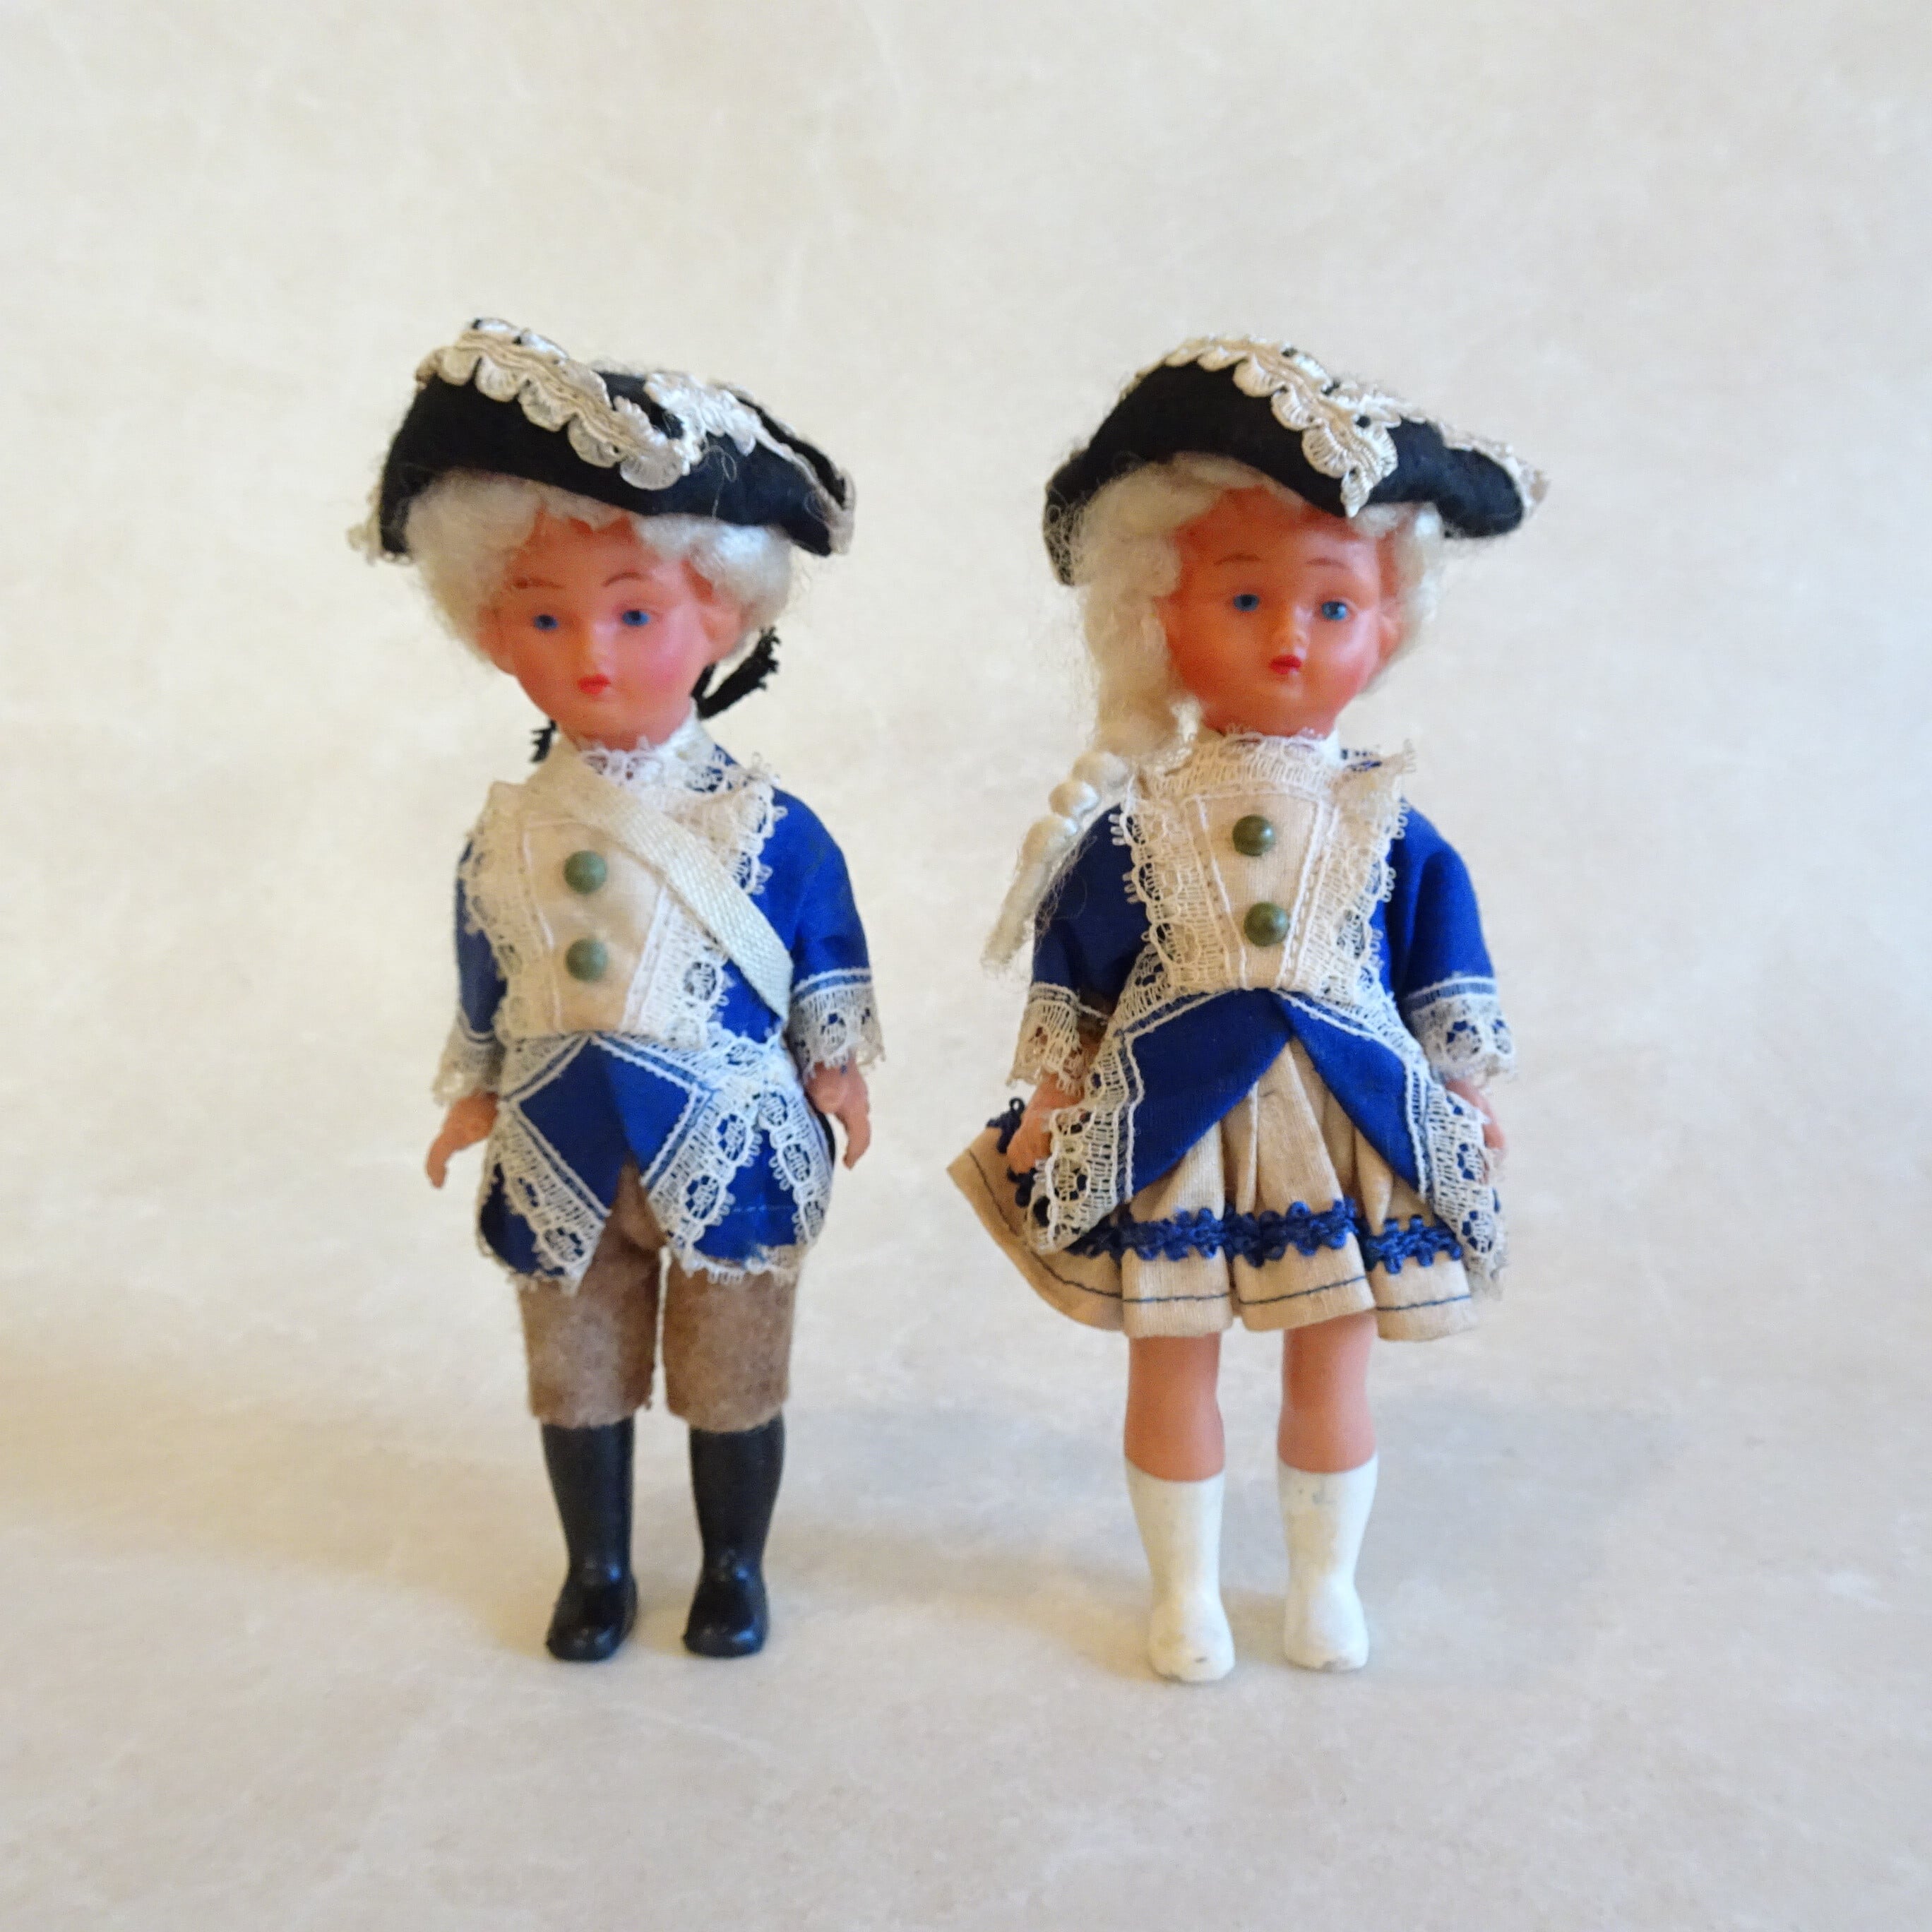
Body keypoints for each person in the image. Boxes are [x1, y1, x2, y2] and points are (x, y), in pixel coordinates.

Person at [952, 337, 1542, 1681]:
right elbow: (1076, 967)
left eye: (1332, 605)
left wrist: (1463, 1088)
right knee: (1172, 1356)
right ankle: (1187, 1596)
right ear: (1158, 614)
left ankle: (1324, 1584)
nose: (1290, 634)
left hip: (1346, 1121)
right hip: (1177, 1121)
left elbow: (1439, 960)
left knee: (1336, 1354)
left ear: (1386, 628)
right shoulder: (1140, 819)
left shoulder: (1385, 817)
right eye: (1245, 597)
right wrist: (1052, 1095)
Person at [358, 321, 881, 1662]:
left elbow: (824, 944)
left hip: (729, 1138)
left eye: (634, 613)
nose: (591, 650)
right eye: (547, 616)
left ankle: (732, 1569)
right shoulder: (507, 832)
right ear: (494, 630)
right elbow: (492, 963)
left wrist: (835, 1067)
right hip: (561, 1140)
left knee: (732, 1372)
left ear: (721, 618)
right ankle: (595, 1568)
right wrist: (475, 1091)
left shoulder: (760, 824)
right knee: (574, 1373)